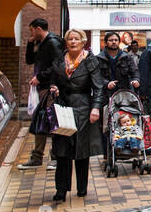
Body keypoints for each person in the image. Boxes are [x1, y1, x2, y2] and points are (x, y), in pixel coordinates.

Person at [40, 28, 105, 202]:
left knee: (81, 148)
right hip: (62, 106)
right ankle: (61, 189)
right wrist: (54, 87)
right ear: (66, 42)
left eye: (77, 39)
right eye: (70, 39)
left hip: (83, 106)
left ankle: (82, 187)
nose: (73, 42)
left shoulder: (91, 61)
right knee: (62, 148)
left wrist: (96, 108)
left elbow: (98, 87)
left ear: (83, 42)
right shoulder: (60, 60)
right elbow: (52, 79)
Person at [18, 16, 64, 169]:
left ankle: (55, 157)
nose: (30, 33)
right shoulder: (41, 43)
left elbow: (58, 65)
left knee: (52, 121)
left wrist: (40, 77)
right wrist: (30, 44)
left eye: (31, 30)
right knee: (41, 121)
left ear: (38, 28)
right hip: (42, 88)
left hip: (50, 88)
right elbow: (30, 61)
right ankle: (38, 156)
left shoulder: (53, 42)